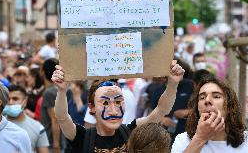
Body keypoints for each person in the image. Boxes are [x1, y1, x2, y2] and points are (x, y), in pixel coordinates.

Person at [52, 60, 184, 152]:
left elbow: (161, 110)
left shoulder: (131, 132)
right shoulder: (82, 137)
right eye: (104, 103)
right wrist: (62, 90)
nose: (113, 110)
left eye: (118, 102)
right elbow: (62, 117)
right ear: (92, 108)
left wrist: (173, 84)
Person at [171, 77, 248, 153]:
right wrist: (200, 138)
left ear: (230, 106)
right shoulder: (182, 140)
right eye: (202, 97)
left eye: (216, 96)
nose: (207, 100)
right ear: (197, 109)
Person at [4, 85, 49, 153]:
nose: (10, 102)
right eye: (7, 99)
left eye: (15, 99)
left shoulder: (38, 127)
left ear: (25, 102)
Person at [41, 58, 65, 153]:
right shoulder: (61, 88)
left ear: (43, 72)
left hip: (51, 141)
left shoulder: (49, 92)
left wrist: (56, 144)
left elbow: (55, 120)